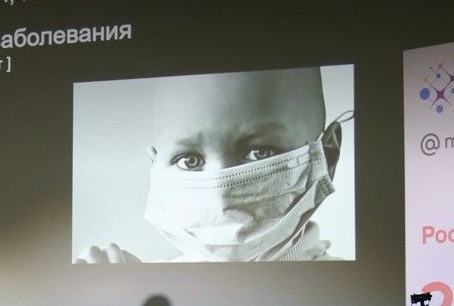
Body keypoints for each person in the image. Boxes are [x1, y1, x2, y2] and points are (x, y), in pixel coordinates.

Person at [77, 66, 349, 262]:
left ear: (327, 155)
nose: (221, 191)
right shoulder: (137, 287)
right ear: (156, 169)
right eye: (189, 160)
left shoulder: (356, 293)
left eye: (259, 153)